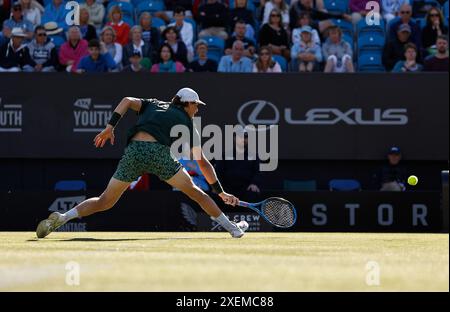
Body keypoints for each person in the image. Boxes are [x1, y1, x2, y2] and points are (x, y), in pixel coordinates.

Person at [36, 88, 249, 239]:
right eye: (196, 105)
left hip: (133, 152)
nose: (198, 109)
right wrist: (220, 192)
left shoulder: (154, 103)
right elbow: (201, 162)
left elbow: (126, 100)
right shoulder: (186, 120)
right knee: (197, 193)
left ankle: (62, 218)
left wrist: (110, 127)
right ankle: (233, 229)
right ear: (187, 104)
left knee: (105, 201)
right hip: (158, 153)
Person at [215, 129, 262, 202]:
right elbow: (218, 171)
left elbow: (258, 172)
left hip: (246, 188)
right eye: (240, 137)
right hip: (226, 188)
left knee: (253, 192)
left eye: (246, 137)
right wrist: (218, 188)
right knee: (217, 193)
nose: (243, 139)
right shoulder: (224, 155)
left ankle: (249, 213)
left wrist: (254, 183)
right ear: (235, 138)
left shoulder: (254, 155)